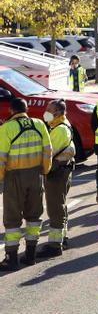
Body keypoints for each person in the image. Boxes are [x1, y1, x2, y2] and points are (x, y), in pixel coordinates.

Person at [0, 98, 52, 270]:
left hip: (14, 177)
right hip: (36, 174)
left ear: (10, 111)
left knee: (12, 218)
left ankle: (11, 257)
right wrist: (44, 170)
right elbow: (48, 150)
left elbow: (1, 157)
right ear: (27, 109)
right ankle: (30, 255)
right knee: (34, 215)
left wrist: (1, 177)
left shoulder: (6, 128)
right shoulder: (39, 124)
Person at [37, 99, 76, 258]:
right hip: (62, 172)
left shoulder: (59, 130)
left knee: (55, 208)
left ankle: (55, 245)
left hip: (57, 174)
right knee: (60, 206)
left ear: (58, 112)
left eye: (49, 109)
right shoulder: (59, 126)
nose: (46, 111)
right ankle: (62, 238)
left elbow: (48, 154)